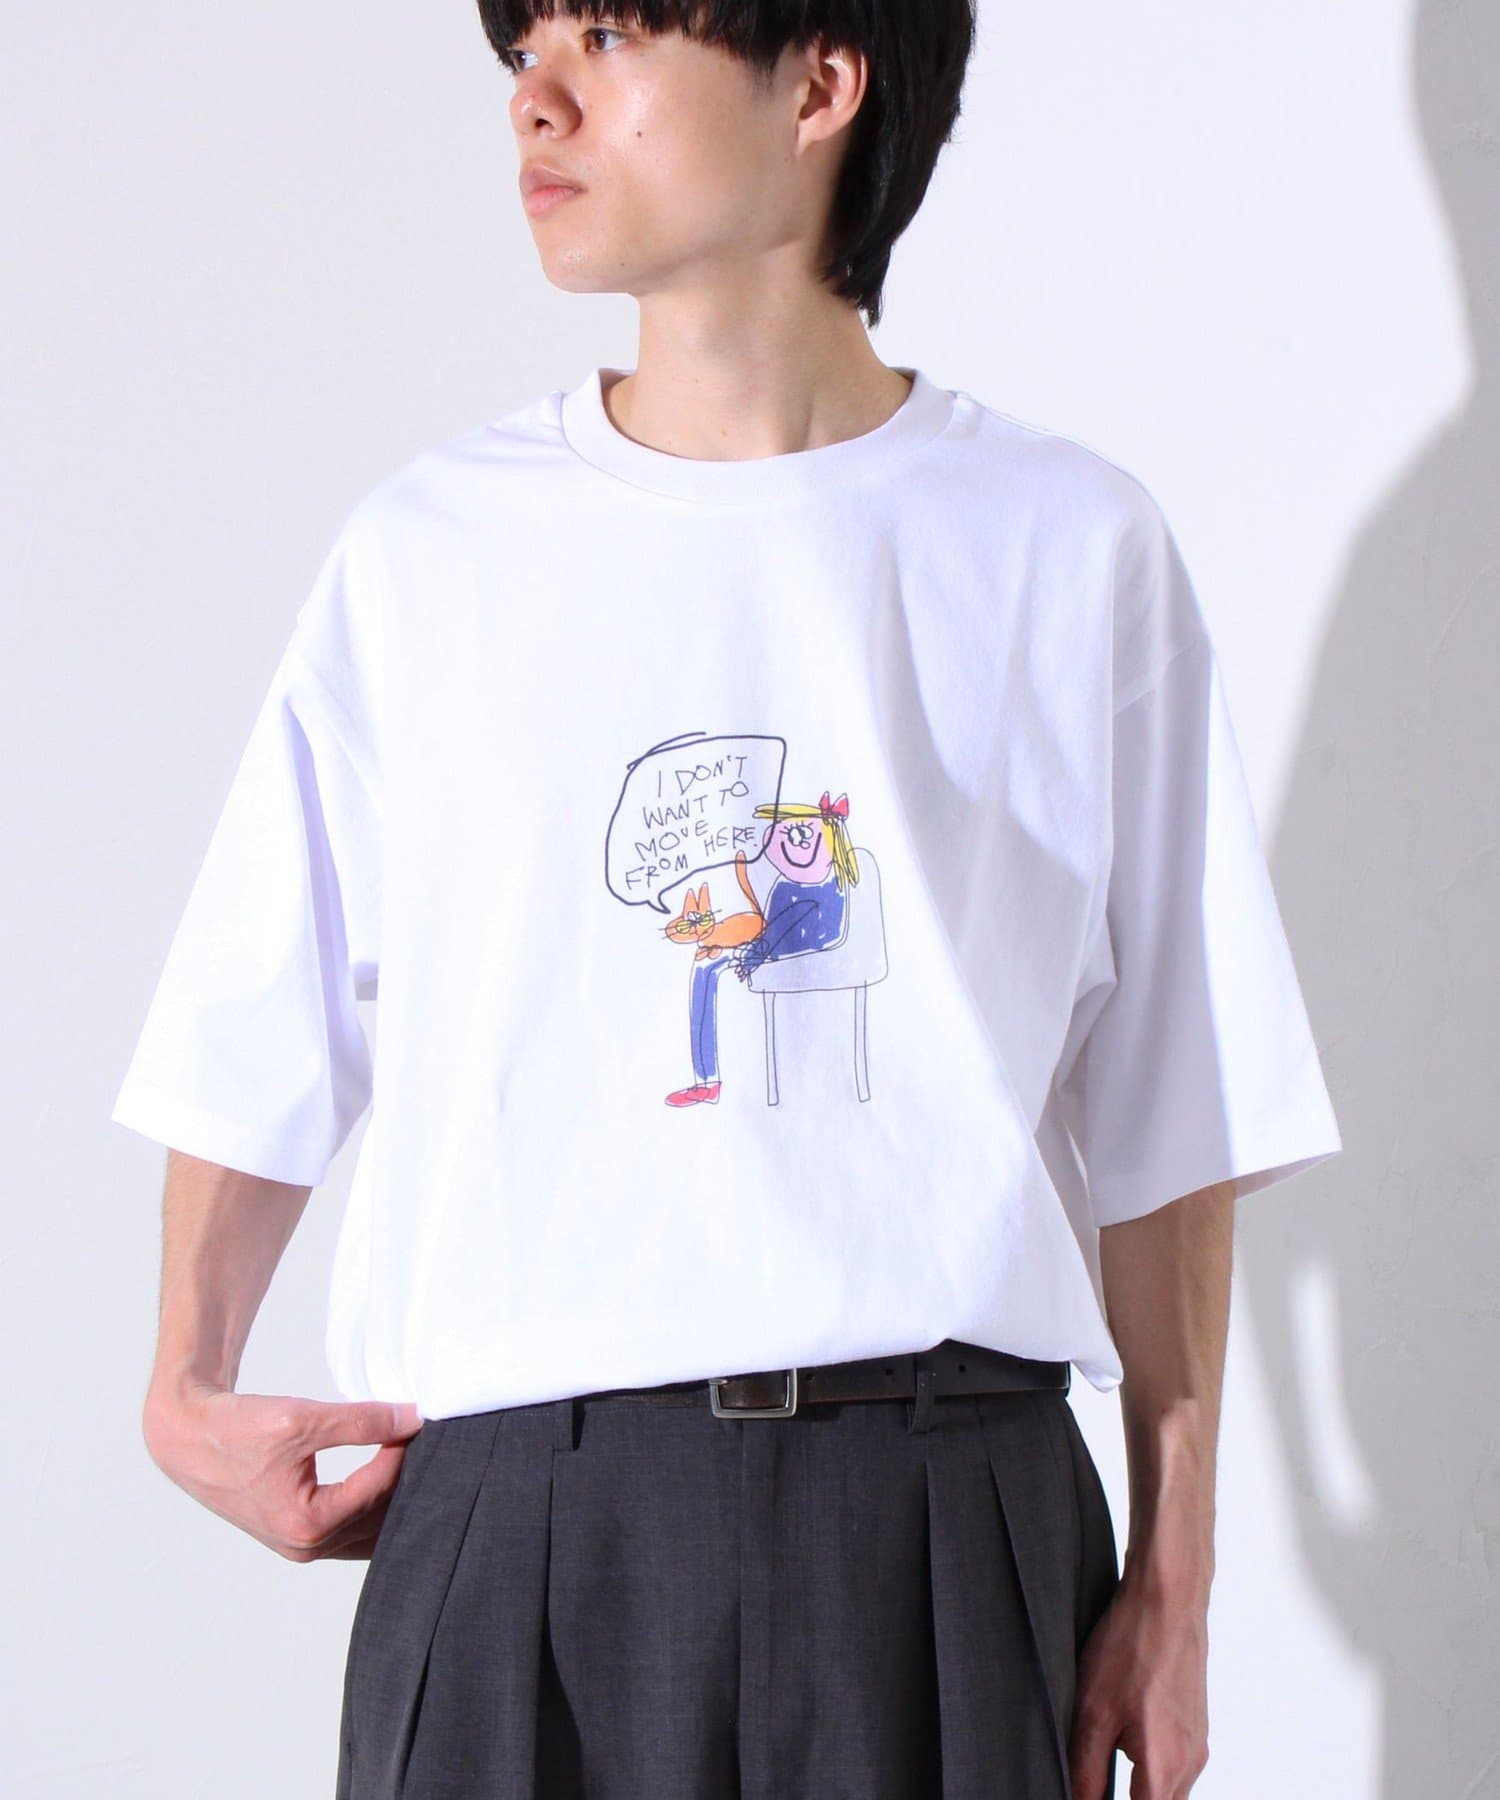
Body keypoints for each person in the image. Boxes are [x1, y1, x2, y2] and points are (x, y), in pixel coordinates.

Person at [111, 3, 1344, 1795]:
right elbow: (261, 1014)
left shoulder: (1066, 546)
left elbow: (1174, 1104)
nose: (536, 101)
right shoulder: (430, 558)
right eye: (522, 48)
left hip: (940, 1520)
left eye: (608, 34)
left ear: (819, 84)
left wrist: (1179, 1577)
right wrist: (183, 1382)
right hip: (521, 1529)